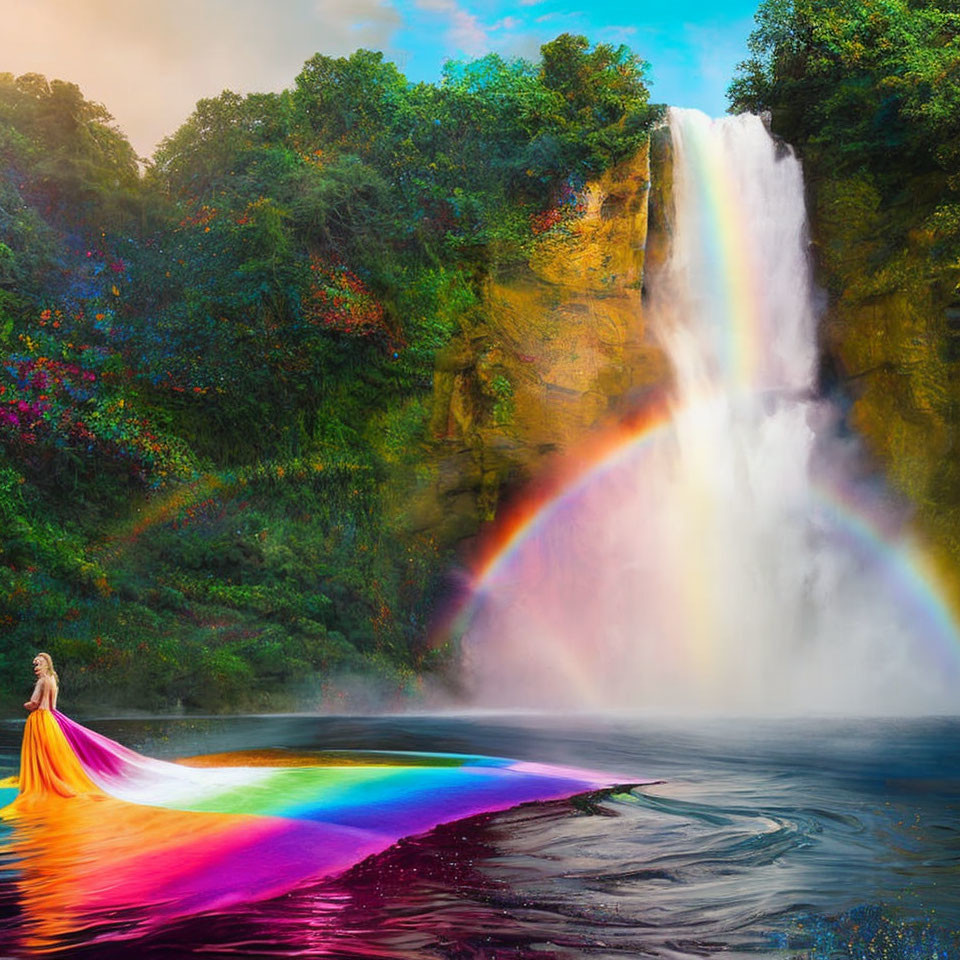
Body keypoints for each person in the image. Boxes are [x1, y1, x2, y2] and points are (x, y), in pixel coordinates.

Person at [16, 652, 98, 802]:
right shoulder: (53, 680)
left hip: (39, 718)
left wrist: (25, 705)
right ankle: (55, 778)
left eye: (39, 663)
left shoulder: (41, 682)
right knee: (50, 751)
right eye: (35, 664)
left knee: (38, 751)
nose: (36, 666)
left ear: (46, 664)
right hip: (51, 719)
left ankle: (41, 781)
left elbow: (34, 703)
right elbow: (53, 705)